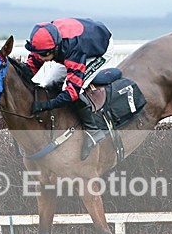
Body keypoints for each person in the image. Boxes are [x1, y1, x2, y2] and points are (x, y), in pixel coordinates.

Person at [25, 18, 115, 160]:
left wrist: (46, 105)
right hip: (73, 43)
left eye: (44, 55)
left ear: (55, 48)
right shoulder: (43, 42)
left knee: (73, 88)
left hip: (99, 49)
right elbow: (30, 68)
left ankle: (93, 131)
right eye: (39, 54)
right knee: (49, 81)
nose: (41, 58)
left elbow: (72, 92)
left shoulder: (74, 49)